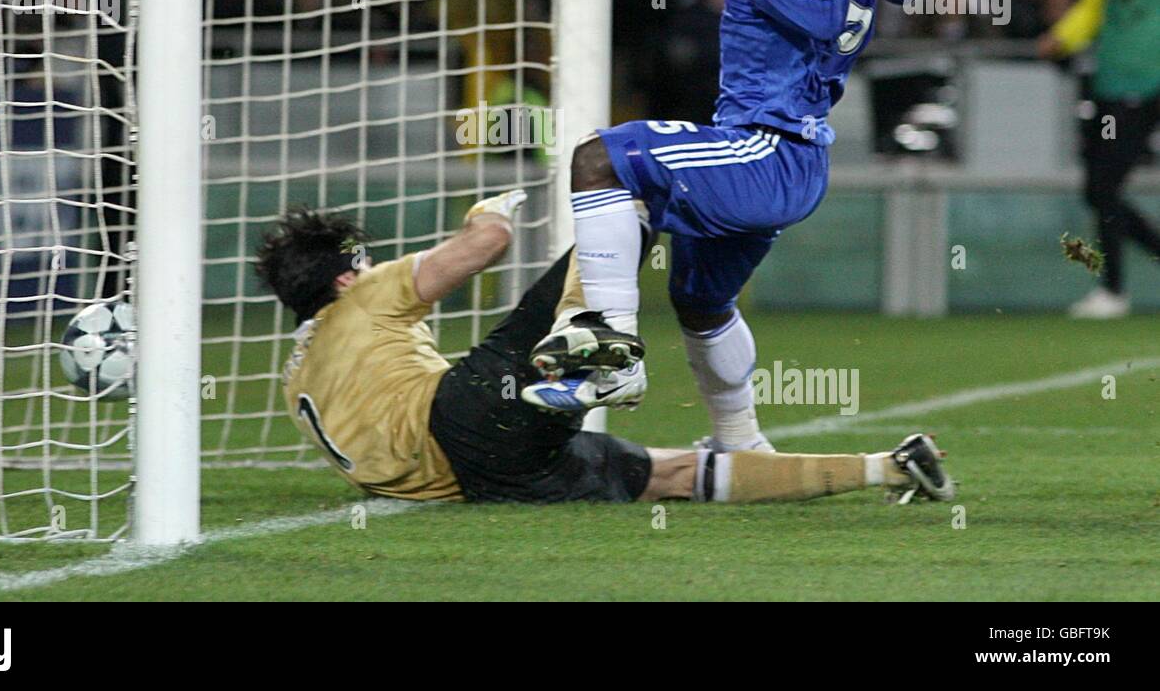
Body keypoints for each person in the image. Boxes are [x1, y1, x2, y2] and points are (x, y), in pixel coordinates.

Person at [523, 0, 923, 456]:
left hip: (768, 146)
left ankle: (612, 353)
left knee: (600, 160)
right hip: (786, 152)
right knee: (701, 301)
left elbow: (821, 7)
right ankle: (739, 440)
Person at [253, 189, 954, 506]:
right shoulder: (364, 294)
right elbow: (485, 246)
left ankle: (889, 469)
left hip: (492, 480)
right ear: (345, 274)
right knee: (622, 193)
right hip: (467, 418)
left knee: (675, 476)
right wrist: (487, 210)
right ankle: (599, 339)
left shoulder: (298, 376)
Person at [1038, 0, 1160, 318]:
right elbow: (1092, 7)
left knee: (1104, 188)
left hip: (1151, 88)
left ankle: (1114, 289)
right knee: (1099, 190)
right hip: (1111, 84)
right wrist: (1063, 37)